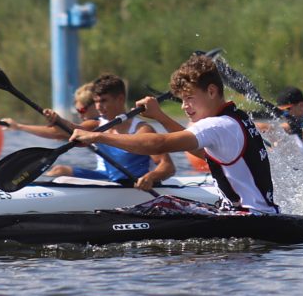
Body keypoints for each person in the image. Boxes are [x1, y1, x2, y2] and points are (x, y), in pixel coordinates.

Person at [71, 54, 279, 214]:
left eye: (189, 98)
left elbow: (158, 144)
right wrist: (161, 116)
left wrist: (97, 136)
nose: (184, 107)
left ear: (212, 91)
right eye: (182, 100)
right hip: (257, 214)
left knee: (160, 207)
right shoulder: (236, 117)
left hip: (247, 218)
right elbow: (200, 152)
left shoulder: (216, 126)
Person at [4, 74, 175, 192]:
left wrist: (151, 177)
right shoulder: (97, 124)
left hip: (135, 188)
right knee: (61, 177)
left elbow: (168, 167)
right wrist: (58, 120)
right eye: (96, 101)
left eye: (104, 101)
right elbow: (66, 131)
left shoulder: (141, 130)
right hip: (112, 183)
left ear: (120, 99)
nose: (99, 107)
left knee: (63, 179)